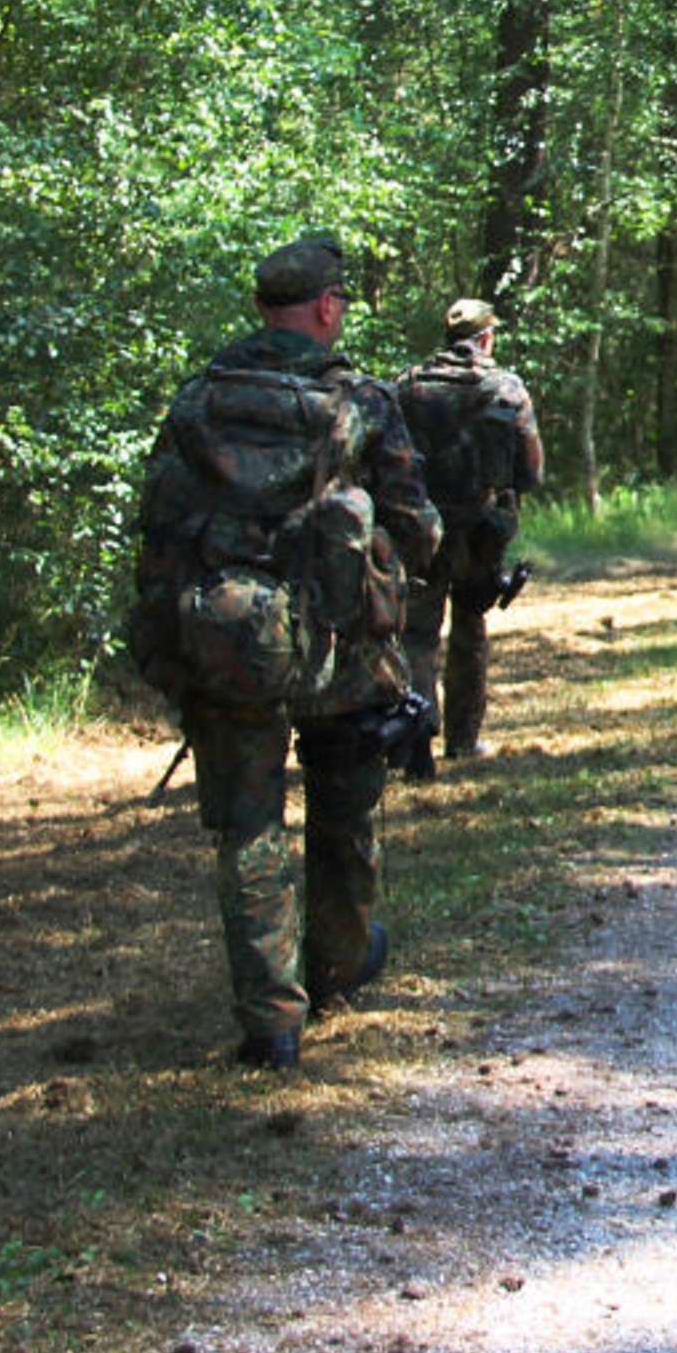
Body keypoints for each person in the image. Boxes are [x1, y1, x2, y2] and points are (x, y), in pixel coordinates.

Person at [127, 236, 441, 1071]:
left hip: (232, 645)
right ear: (328, 307)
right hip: (340, 651)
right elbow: (420, 528)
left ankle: (271, 1023)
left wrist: (168, 646)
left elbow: (161, 533)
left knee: (248, 830)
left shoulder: (198, 401)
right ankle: (337, 967)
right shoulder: (362, 402)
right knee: (344, 813)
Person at [396, 297, 546, 763]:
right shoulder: (506, 389)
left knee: (416, 634)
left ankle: (415, 739)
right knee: (469, 628)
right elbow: (531, 471)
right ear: (485, 338)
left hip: (422, 528)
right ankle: (462, 740)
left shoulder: (407, 387)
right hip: (482, 529)